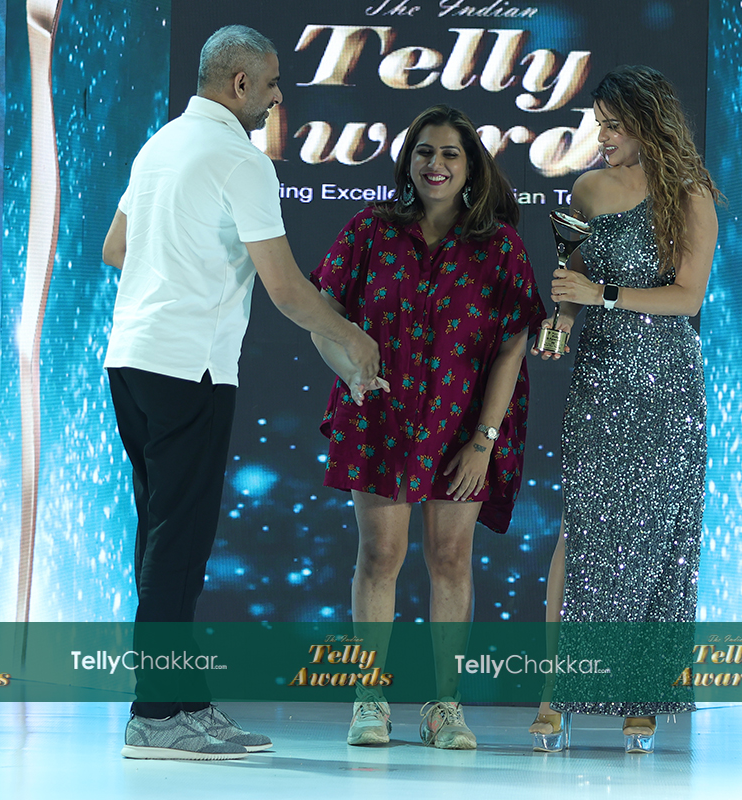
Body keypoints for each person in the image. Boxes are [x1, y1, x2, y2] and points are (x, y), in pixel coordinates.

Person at [101, 25, 385, 761]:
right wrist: (353, 339)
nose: (277, 96)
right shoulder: (240, 161)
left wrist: (179, 273)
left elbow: (115, 250)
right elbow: (286, 288)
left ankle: (183, 702)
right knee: (177, 547)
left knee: (165, 539)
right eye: (272, 83)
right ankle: (154, 716)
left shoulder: (159, 146)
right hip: (187, 369)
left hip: (132, 362)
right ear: (239, 85)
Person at [310, 105, 545, 750]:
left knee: (449, 560)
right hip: (379, 419)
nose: (434, 164)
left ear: (471, 168)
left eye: (449, 154)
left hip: (464, 430)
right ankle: (369, 698)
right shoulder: (369, 230)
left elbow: (513, 345)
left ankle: (445, 705)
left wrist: (484, 441)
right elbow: (321, 316)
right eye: (423, 152)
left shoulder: (499, 246)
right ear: (407, 161)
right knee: (379, 556)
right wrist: (349, 372)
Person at [527, 65, 720, 754]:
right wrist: (560, 323)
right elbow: (572, 283)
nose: (601, 135)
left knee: (660, 538)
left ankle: (642, 693)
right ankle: (558, 690)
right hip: (601, 379)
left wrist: (603, 295)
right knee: (583, 531)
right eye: (598, 123)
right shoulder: (586, 190)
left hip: (666, 384)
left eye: (613, 125)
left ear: (647, 123)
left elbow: (688, 297)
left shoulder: (690, 196)